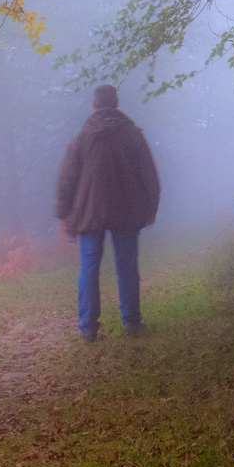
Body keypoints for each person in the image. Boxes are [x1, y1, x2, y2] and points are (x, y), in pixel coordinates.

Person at [54, 85, 161, 340]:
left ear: (94, 105)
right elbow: (149, 175)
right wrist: (150, 207)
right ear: (116, 103)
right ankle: (132, 324)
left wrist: (63, 213)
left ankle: (89, 329)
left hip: (90, 214)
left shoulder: (82, 139)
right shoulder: (133, 136)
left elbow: (67, 179)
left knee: (89, 267)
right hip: (127, 211)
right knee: (126, 265)